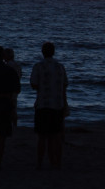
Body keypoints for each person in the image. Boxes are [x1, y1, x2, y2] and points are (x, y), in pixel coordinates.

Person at [29, 42, 69, 170]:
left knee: (42, 137)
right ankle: (57, 162)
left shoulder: (38, 66)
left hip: (43, 105)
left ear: (42, 52)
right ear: (54, 52)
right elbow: (64, 85)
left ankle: (40, 163)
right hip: (57, 105)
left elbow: (33, 84)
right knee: (56, 136)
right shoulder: (60, 67)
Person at [3, 47, 22, 127]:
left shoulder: (8, 65)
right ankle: (15, 125)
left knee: (9, 108)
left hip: (9, 89)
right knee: (13, 107)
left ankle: (11, 125)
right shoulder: (17, 65)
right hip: (15, 89)